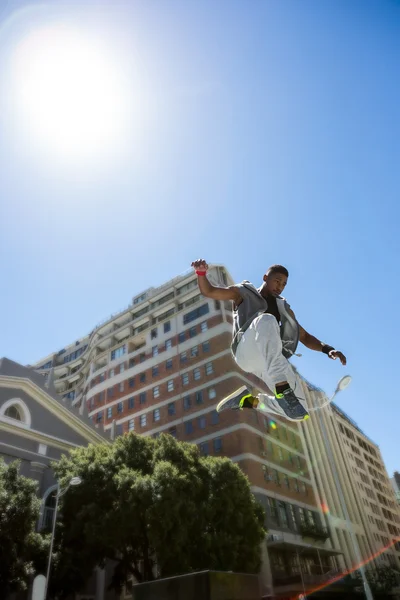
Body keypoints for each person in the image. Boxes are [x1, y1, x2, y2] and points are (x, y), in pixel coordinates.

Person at [190, 259, 347, 421]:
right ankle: (281, 387)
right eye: (277, 281)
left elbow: (304, 336)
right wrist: (201, 273)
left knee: (298, 411)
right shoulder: (243, 292)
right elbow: (210, 291)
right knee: (267, 320)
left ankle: (249, 400)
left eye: (284, 284)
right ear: (265, 278)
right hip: (245, 350)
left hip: (269, 361)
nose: (279, 287)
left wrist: (328, 349)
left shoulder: (283, 308)